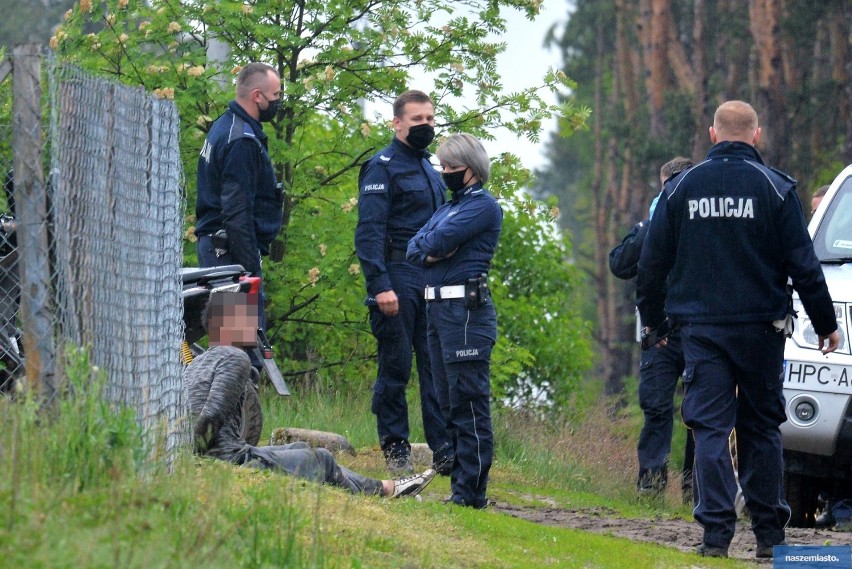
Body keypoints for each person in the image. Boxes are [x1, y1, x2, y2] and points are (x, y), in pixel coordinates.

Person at [637, 100, 840, 559]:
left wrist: (655, 321)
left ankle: (715, 535)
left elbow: (651, 264)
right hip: (761, 330)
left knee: (708, 429)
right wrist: (826, 324)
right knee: (762, 428)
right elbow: (803, 266)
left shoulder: (681, 189)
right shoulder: (776, 188)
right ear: (756, 135)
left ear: (713, 134)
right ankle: (769, 537)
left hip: (701, 330)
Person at [184, 291, 436, 498]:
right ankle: (385, 490)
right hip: (230, 459)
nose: (255, 324)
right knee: (322, 459)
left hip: (221, 454)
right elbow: (212, 414)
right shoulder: (234, 357)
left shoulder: (198, 362)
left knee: (300, 447)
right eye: (247, 317)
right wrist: (195, 456)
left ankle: (386, 487)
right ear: (226, 325)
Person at [354, 90, 452, 474]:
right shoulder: (382, 167)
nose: (426, 126)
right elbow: (369, 233)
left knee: (435, 366)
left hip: (431, 279)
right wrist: (379, 285)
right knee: (395, 366)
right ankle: (395, 448)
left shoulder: (431, 168)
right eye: (417, 120)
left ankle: (444, 450)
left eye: (430, 119)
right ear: (397, 123)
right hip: (396, 276)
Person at [406, 133, 503, 509]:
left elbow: (432, 244)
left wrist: (434, 248)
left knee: (468, 402)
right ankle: (461, 487)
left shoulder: (483, 207)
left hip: (466, 313)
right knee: (445, 401)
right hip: (437, 312)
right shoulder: (448, 208)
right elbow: (416, 247)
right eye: (442, 166)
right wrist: (433, 248)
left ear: (471, 170)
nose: (444, 172)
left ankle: (470, 492)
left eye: (451, 167)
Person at [609, 156, 694, 501]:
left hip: (690, 328)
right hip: (660, 332)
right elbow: (620, 263)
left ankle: (693, 488)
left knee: (697, 412)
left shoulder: (704, 229)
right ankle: (654, 484)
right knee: (658, 406)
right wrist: (650, 228)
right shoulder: (654, 223)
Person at [194, 62, 285, 333]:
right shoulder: (241, 141)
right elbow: (237, 212)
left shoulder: (225, 125)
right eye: (276, 95)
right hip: (229, 254)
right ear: (257, 96)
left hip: (223, 250)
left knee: (236, 349)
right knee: (237, 353)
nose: (279, 102)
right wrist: (248, 270)